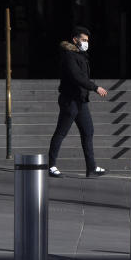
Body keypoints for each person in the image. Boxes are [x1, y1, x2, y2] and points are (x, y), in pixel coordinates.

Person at [47, 26, 108, 178]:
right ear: (75, 40)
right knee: (61, 132)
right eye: (84, 40)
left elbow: (82, 77)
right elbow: (77, 77)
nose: (86, 43)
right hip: (70, 100)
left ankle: (91, 168)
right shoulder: (69, 56)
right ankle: (51, 166)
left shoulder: (81, 55)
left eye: (87, 40)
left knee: (88, 131)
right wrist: (95, 87)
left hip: (81, 101)